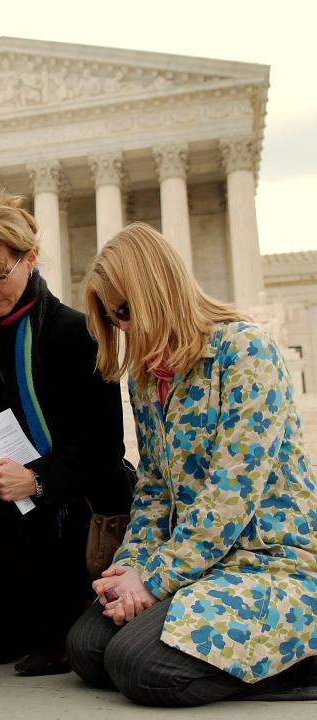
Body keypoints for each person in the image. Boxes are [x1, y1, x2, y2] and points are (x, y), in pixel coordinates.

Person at [67, 223, 317, 706]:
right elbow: (155, 490)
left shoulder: (245, 350)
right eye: (108, 315)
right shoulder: (145, 380)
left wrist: (155, 579)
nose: (120, 326)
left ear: (157, 290)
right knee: (88, 650)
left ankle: (298, 656)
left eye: (123, 310)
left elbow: (232, 491)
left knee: (138, 667)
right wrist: (131, 567)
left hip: (266, 561)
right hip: (199, 565)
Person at [0, 196, 131, 675]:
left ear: (29, 258)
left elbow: (106, 445)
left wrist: (36, 479)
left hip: (69, 508)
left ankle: (63, 611)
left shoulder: (76, 332)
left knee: (42, 642)